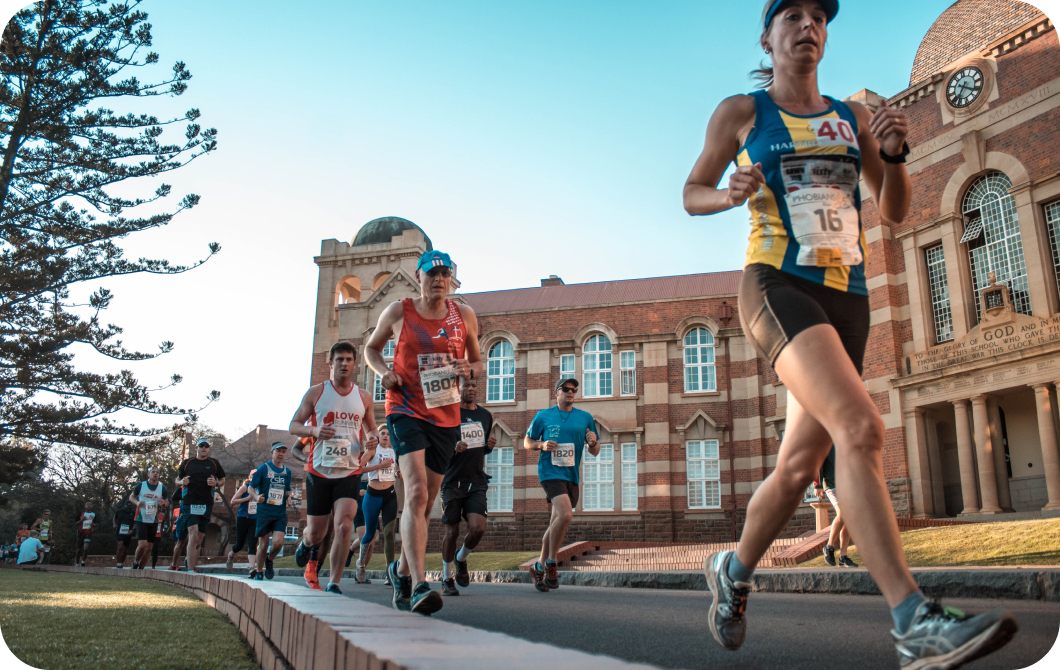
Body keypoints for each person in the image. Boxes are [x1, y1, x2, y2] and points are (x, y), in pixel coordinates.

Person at [682, 1, 1018, 665]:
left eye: (819, 16)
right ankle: (913, 621)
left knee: (798, 465)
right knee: (861, 428)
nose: (808, 24)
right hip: (776, 285)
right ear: (768, 36)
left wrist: (893, 155)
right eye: (792, 15)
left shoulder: (852, 117)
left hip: (849, 299)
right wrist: (728, 192)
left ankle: (733, 570)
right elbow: (692, 189)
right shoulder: (742, 114)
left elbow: (894, 210)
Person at [365, 249, 483, 615]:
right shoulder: (400, 311)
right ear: (419, 276)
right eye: (432, 273)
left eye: (445, 274)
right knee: (415, 492)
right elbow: (370, 348)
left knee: (428, 502)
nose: (439, 279)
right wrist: (383, 372)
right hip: (404, 409)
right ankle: (418, 584)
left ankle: (399, 571)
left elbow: (478, 362)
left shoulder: (463, 315)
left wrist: (469, 370)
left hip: (445, 417)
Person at [289, 341, 380, 594]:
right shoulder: (316, 393)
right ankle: (306, 543)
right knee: (318, 533)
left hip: (349, 471)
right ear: (331, 364)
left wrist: (372, 437)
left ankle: (334, 583)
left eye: (349, 359)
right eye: (339, 359)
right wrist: (314, 430)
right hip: (319, 471)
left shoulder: (364, 398)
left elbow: (371, 427)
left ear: (355, 364)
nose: (344, 364)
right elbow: (294, 425)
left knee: (343, 524)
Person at [524, 378, 598, 593]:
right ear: (556, 392)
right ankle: (551, 563)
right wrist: (541, 444)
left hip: (571, 476)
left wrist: (593, 443)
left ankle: (537, 566)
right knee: (565, 515)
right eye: (566, 389)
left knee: (556, 521)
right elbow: (527, 442)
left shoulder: (584, 418)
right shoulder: (543, 416)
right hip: (549, 472)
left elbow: (595, 450)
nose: (570, 392)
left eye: (574, 390)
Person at [440, 377, 495, 596]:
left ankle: (461, 558)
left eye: (474, 385)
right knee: (451, 532)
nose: (470, 389)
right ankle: (446, 577)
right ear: (457, 388)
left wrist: (488, 447)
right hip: (452, 481)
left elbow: (480, 448)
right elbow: (440, 449)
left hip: (476, 481)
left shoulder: (485, 416)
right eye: (466, 385)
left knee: (478, 528)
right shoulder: (448, 415)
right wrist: (454, 448)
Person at [353, 425, 398, 585]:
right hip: (372, 495)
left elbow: (393, 469)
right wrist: (379, 466)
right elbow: (358, 469)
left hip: (390, 496)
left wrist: (397, 473)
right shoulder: (373, 451)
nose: (386, 436)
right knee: (370, 534)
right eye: (383, 433)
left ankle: (390, 573)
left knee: (389, 533)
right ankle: (361, 564)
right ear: (378, 436)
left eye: (388, 434)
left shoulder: (394, 452)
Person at [176, 438, 226, 573]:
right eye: (201, 446)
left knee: (199, 539)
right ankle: (191, 569)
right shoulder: (188, 463)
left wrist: (216, 483)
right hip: (190, 502)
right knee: (192, 533)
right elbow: (177, 480)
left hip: (206, 503)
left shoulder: (214, 463)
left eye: (206, 446)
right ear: (197, 448)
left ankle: (189, 559)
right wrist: (182, 482)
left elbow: (222, 480)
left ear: (209, 449)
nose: (204, 448)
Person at [248, 442, 294, 580]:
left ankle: (269, 560)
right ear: (272, 452)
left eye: (283, 452)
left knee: (278, 543)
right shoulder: (263, 469)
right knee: (263, 544)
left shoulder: (287, 471)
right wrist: (256, 497)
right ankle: (259, 571)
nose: (281, 454)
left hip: (279, 513)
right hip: (264, 511)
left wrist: (289, 498)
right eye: (278, 451)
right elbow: (250, 488)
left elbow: (287, 490)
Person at [814, 446, 856, 568]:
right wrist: (817, 484)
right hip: (832, 484)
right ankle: (829, 547)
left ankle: (843, 556)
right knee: (843, 514)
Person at [131, 466, 169, 570]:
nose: (155, 474)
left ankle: (141, 569)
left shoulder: (162, 488)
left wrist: (163, 504)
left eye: (157, 472)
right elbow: (132, 497)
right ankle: (136, 561)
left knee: (149, 548)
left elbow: (166, 503)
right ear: (148, 474)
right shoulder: (141, 486)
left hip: (154, 520)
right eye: (153, 472)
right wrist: (137, 502)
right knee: (143, 545)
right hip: (141, 518)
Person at [227, 470, 258, 571]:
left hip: (254, 519)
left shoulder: (261, 488)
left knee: (253, 543)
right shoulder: (245, 487)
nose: (255, 477)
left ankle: (252, 568)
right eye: (253, 476)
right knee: (239, 544)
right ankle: (231, 555)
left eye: (257, 476)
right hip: (242, 518)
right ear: (250, 476)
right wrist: (247, 498)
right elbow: (233, 501)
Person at [113, 499, 137, 568]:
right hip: (120, 531)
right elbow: (114, 517)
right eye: (127, 508)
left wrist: (132, 530)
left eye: (129, 508)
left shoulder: (133, 513)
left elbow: (135, 523)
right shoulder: (120, 511)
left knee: (125, 549)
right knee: (120, 546)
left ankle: (121, 563)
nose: (128, 510)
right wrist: (114, 524)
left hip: (128, 532)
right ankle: (118, 563)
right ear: (125, 507)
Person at [169, 486, 188, 570]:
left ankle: (189, 561)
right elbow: (174, 497)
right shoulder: (183, 487)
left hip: (195, 514)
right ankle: (174, 564)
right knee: (180, 541)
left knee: (194, 539)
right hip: (183, 515)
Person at [74, 501, 96, 566]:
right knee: (78, 549)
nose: (89, 506)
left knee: (86, 548)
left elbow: (96, 523)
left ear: (92, 506)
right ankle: (77, 563)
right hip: (80, 533)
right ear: (85, 506)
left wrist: (93, 524)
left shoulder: (94, 514)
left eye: (90, 504)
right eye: (87, 505)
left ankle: (83, 561)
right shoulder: (81, 513)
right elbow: (75, 523)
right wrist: (81, 520)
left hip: (88, 533)